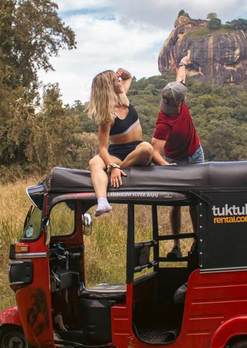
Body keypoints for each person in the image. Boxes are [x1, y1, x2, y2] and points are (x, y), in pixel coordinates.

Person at [151, 53, 204, 258]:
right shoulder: (163, 121)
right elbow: (154, 151)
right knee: (176, 203)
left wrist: (183, 61)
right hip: (174, 160)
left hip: (195, 154)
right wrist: (166, 165)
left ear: (182, 101)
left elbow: (181, 75)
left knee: (195, 200)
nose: (169, 110)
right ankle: (176, 246)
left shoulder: (179, 91)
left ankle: (197, 243)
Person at [87, 68, 154, 217]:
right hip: (117, 152)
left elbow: (128, 77)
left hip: (136, 150)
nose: (120, 81)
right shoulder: (107, 115)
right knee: (94, 163)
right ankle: (102, 201)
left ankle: (117, 170)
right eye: (116, 80)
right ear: (109, 88)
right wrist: (111, 164)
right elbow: (103, 148)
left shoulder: (123, 96)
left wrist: (122, 73)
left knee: (147, 148)